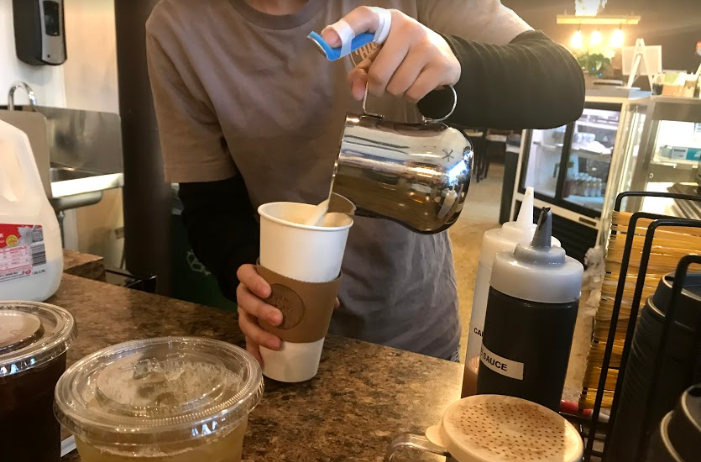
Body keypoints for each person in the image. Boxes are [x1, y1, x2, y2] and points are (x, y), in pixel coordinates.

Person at [146, 0, 584, 363]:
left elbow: (561, 84)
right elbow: (208, 200)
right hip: (285, 330)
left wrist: (453, 61)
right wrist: (243, 272)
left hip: (415, 330)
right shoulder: (177, 27)